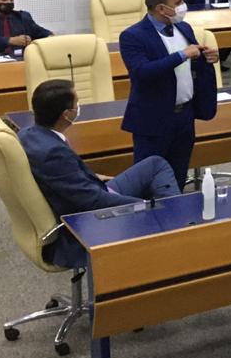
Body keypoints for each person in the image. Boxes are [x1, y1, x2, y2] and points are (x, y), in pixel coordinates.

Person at [19, 79, 181, 267]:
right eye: (76, 103)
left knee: (155, 164)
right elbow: (92, 201)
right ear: (66, 115)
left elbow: (65, 179)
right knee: (160, 206)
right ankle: (177, 229)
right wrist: (148, 205)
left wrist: (90, 176)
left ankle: (172, 223)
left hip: (89, 189)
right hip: (87, 221)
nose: (79, 106)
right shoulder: (52, 153)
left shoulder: (28, 134)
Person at [119, 0, 219, 186]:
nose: (183, 6)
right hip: (153, 119)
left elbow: (193, 63)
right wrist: (182, 55)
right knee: (149, 182)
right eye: (178, 2)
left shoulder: (183, 27)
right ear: (161, 9)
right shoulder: (132, 36)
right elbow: (142, 72)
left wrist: (208, 57)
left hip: (184, 117)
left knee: (178, 176)